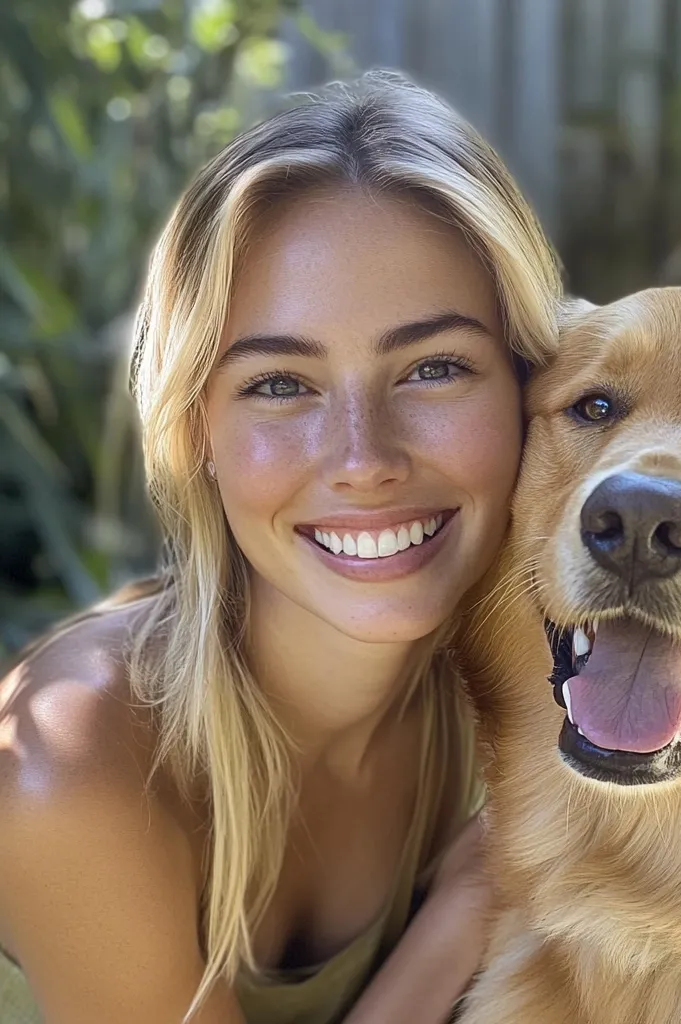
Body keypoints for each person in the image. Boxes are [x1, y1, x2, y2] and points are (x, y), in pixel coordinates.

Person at [0, 71, 562, 1024]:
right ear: (195, 432)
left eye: (434, 368)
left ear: (528, 396)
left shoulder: (528, 689)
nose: (362, 458)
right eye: (279, 384)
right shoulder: (71, 762)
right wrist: (474, 897)